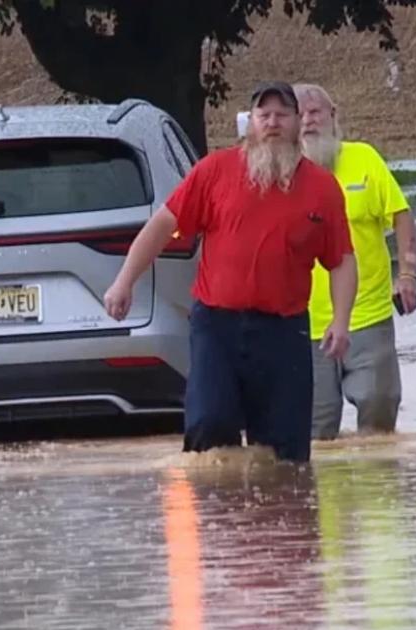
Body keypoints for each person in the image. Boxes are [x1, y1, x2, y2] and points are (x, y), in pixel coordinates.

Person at [103, 80, 358, 463]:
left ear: (296, 122)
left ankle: (278, 501)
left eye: (282, 115)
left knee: (284, 455)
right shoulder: (214, 171)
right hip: (216, 327)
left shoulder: (322, 188)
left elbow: (341, 260)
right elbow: (163, 224)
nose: (273, 122)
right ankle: (217, 502)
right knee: (210, 429)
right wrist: (124, 282)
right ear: (250, 122)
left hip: (284, 331)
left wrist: (341, 321)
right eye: (264, 114)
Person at [292, 82, 416, 441]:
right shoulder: (278, 173)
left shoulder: (364, 158)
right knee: (315, 435)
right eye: (299, 114)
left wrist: (408, 274)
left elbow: (402, 217)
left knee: (379, 418)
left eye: (315, 112)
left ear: (333, 116)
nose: (308, 121)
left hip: (368, 315)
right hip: (304, 325)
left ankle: (378, 477)